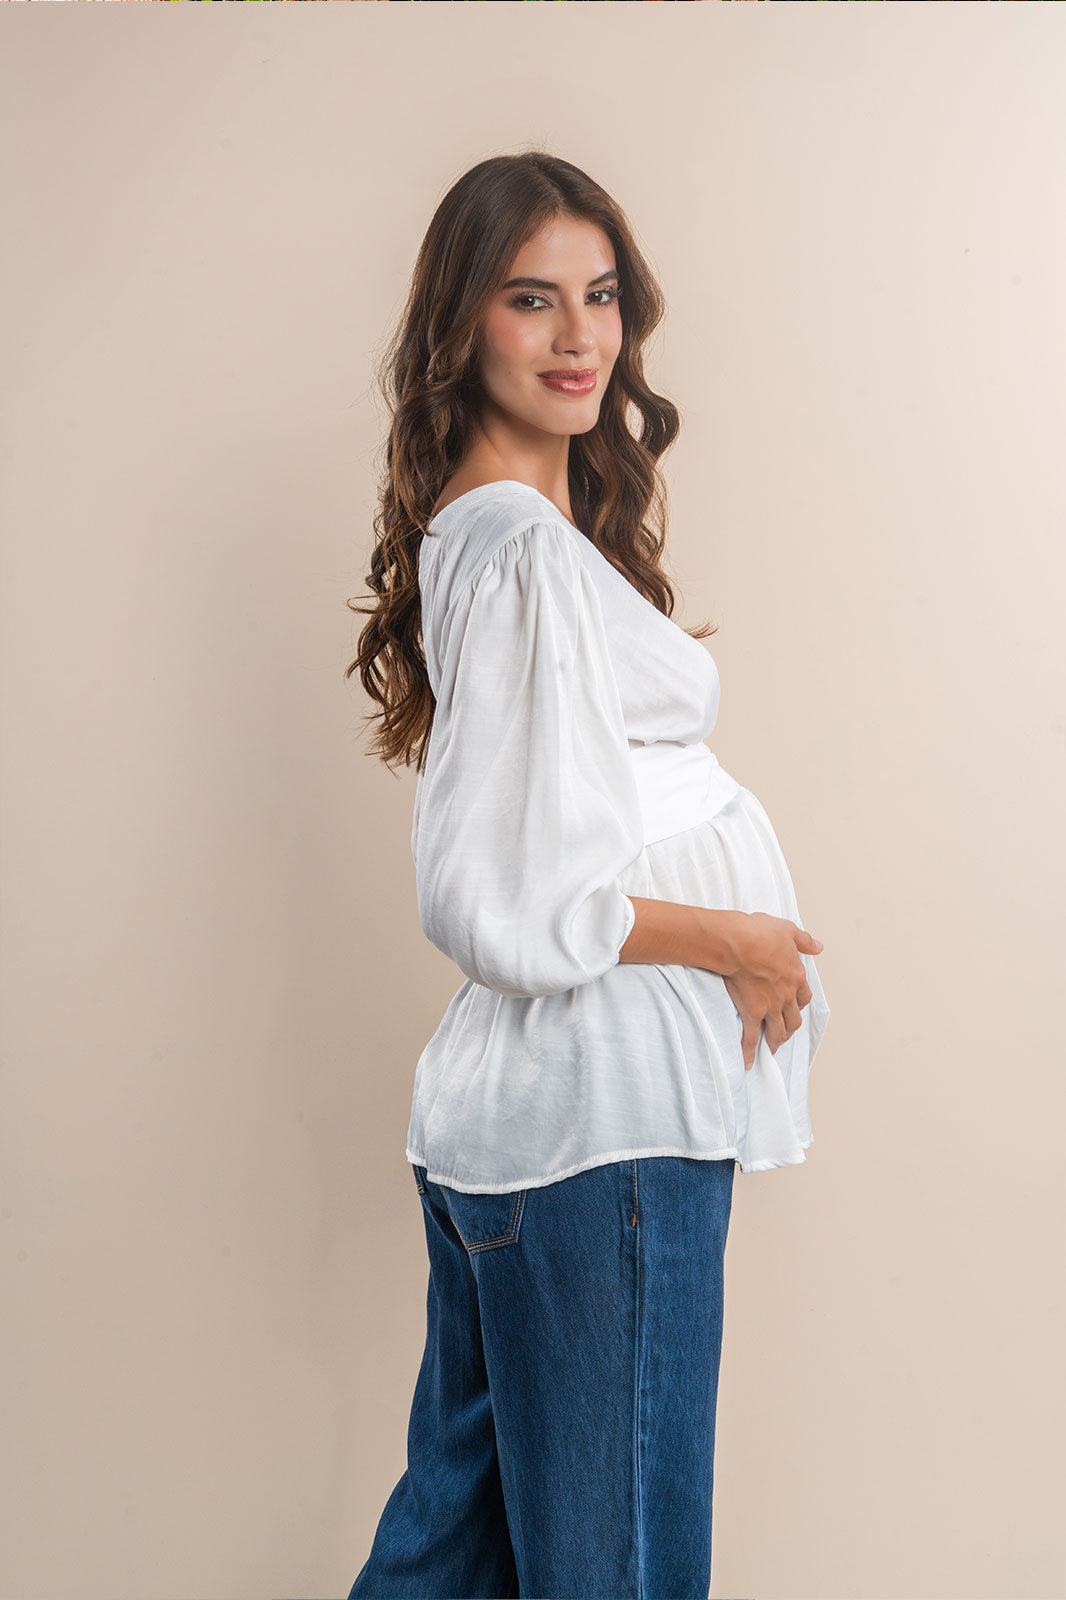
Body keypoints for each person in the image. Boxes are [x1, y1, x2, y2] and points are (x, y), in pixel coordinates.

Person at [343, 150, 830, 1600]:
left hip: (548, 1132)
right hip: (598, 1136)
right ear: (462, 325)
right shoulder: (519, 554)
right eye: (530, 298)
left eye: (601, 296)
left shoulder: (518, 536)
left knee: (454, 1558)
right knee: (615, 1572)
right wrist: (734, 940)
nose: (578, 337)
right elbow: (498, 895)